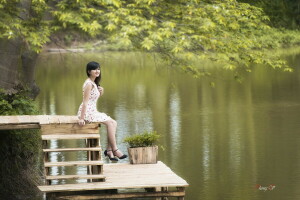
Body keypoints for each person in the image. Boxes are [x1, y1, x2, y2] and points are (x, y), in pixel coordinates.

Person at [77, 61, 127, 161]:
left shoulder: (93, 83)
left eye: (98, 69)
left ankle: (109, 150)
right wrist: (81, 118)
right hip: (87, 113)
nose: (97, 71)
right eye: (94, 69)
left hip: (92, 111)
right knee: (110, 123)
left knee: (114, 122)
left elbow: (92, 99)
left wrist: (100, 92)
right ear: (89, 71)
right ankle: (115, 149)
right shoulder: (88, 84)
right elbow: (85, 102)